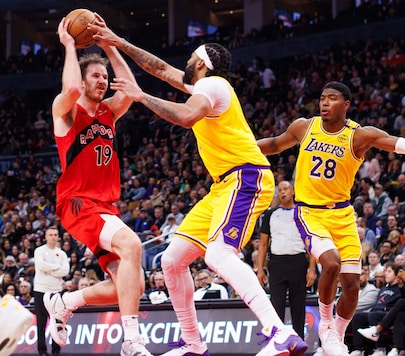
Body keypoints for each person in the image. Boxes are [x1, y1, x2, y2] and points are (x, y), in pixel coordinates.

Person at [91, 22, 308, 356]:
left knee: (219, 254)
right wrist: (118, 42)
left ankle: (278, 331)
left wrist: (140, 95)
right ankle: (194, 343)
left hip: (245, 178)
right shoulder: (202, 85)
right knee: (172, 260)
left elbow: (188, 117)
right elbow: (160, 68)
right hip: (224, 185)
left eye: (191, 58)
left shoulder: (214, 85)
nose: (186, 62)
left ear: (202, 64)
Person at [257, 81, 405, 355]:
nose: (324, 103)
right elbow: (274, 144)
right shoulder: (304, 126)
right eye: (322, 98)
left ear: (345, 105)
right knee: (331, 264)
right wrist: (239, 148)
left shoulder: (359, 135)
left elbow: (404, 145)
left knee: (351, 285)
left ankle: (337, 335)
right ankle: (325, 324)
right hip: (309, 212)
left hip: (343, 214)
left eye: (332, 99)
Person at [44, 14, 153, 356]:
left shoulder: (107, 113)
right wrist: (70, 46)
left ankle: (65, 301)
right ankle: (132, 340)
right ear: (84, 78)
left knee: (134, 283)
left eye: (105, 77)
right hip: (78, 202)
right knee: (133, 245)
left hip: (105, 207)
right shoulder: (66, 112)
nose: (103, 81)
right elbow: (72, 88)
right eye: (96, 75)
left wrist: (110, 43)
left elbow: (131, 90)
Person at [256, 181, 317, 338]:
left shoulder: (303, 213)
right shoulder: (270, 214)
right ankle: (277, 341)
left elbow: (310, 243)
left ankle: (299, 343)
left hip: (298, 262)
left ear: (293, 191)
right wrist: (260, 269)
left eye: (286, 189)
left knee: (298, 306)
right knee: (277, 306)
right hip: (277, 263)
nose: (283, 192)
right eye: (280, 190)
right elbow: (263, 245)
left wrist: (312, 268)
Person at [348, 262, 403, 356]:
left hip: (389, 315)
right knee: (358, 317)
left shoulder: (400, 289)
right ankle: (358, 349)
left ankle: (380, 349)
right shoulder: (383, 289)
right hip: (376, 312)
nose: (385, 273)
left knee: (373, 315)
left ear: (397, 274)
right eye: (385, 271)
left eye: (389, 271)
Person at [34, 227, 69, 356]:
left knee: (57, 323)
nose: (53, 237)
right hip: (41, 290)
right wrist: (57, 268)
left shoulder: (62, 253)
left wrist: (49, 270)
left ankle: (56, 351)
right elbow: (41, 265)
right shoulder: (39, 251)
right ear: (46, 237)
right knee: (41, 323)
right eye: (51, 235)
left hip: (57, 291)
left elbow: (65, 271)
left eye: (55, 234)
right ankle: (42, 351)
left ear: (58, 237)